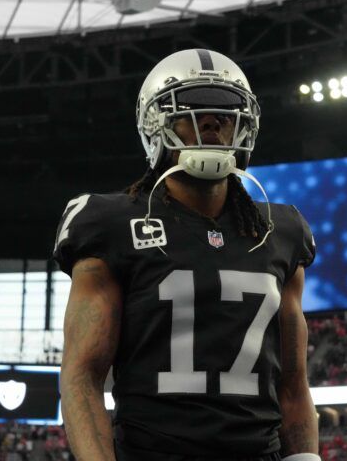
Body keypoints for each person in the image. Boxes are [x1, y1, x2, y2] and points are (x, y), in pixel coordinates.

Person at [55, 48, 320, 461]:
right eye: (191, 110)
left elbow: (292, 384)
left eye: (227, 112)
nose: (212, 122)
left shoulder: (279, 230)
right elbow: (82, 375)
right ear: (154, 124)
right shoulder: (109, 223)